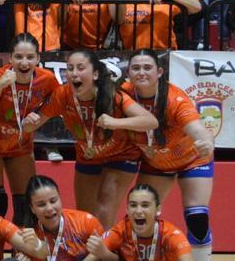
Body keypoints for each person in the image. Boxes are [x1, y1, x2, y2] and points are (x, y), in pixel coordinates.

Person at [121, 50, 218, 261]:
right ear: (128, 73)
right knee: (139, 216)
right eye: (136, 68)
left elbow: (198, 130)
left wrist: (206, 143)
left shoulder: (175, 98)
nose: (142, 72)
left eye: (147, 67)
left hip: (191, 159)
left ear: (160, 72)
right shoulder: (123, 94)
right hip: (156, 163)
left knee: (197, 217)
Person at [22, 49, 157, 227]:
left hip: (122, 154)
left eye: (80, 68)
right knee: (84, 216)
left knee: (104, 210)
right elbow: (30, 126)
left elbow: (151, 121)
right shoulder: (62, 95)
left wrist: (116, 123)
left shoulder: (112, 95)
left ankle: (105, 245)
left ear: (95, 74)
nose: (74, 73)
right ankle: (89, 245)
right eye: (70, 68)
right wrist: (28, 122)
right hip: (88, 155)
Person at [0, 33, 59, 225]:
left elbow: (59, 103)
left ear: (38, 58)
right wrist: (0, 87)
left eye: (30, 57)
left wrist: (39, 120)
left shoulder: (47, 79)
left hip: (19, 144)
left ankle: (20, 245)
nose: (24, 62)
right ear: (10, 58)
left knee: (26, 209)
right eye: (18, 57)